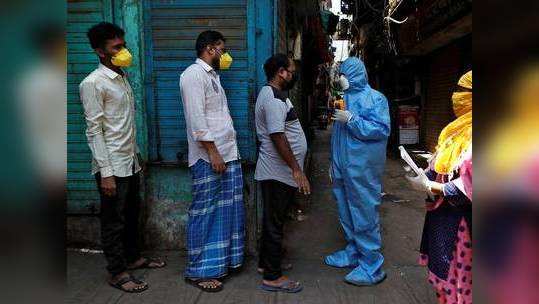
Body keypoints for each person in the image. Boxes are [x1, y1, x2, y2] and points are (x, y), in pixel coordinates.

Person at [79, 22, 165, 293]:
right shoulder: (93, 83)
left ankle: (133, 257)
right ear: (99, 52)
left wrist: (136, 156)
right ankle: (117, 272)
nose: (124, 51)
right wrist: (106, 173)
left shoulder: (122, 77)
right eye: (116, 47)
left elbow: (123, 124)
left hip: (129, 160)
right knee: (113, 221)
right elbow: (94, 131)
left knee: (131, 214)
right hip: (111, 165)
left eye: (123, 45)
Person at [179, 30, 244, 293]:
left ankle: (220, 263)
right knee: (204, 213)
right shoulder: (192, 76)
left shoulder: (213, 76)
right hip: (210, 157)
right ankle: (197, 270)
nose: (225, 54)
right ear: (209, 49)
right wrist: (214, 153)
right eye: (221, 48)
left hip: (228, 154)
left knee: (226, 211)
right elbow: (197, 120)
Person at [405, 71, 472, 304]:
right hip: (442, 217)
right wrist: (425, 174)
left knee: (462, 281)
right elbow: (441, 161)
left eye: (464, 93)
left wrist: (436, 187)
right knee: (445, 280)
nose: (456, 97)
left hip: (464, 223)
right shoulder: (454, 130)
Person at [325, 57, 391, 286]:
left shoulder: (376, 99)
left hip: (362, 168)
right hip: (343, 166)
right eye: (340, 73)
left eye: (344, 73)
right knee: (346, 211)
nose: (340, 78)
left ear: (356, 74)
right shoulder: (344, 99)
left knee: (364, 214)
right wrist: (333, 163)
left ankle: (372, 266)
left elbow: (381, 130)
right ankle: (354, 252)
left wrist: (352, 119)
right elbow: (338, 136)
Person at [255, 53, 310, 293]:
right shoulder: (273, 99)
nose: (293, 74)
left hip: (280, 173)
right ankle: (272, 276)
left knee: (275, 220)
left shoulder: (277, 96)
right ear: (281, 72)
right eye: (291, 70)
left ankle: (266, 264)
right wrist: (297, 169)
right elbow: (277, 136)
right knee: (274, 223)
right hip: (277, 173)